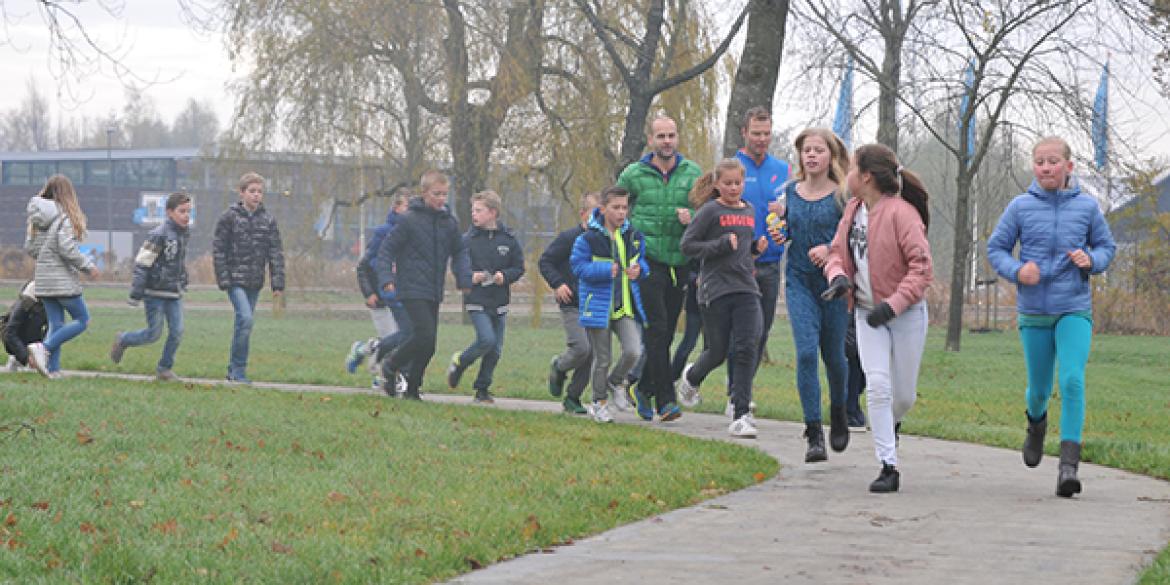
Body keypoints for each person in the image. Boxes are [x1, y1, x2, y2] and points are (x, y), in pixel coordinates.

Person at [987, 136, 1116, 498]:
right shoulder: (1020, 207)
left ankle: (1068, 467)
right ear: (1034, 166)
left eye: (1053, 161)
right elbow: (996, 248)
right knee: (1040, 389)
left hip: (1073, 306)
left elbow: (1107, 247)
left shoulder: (1087, 208)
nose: (1046, 167)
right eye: (1040, 161)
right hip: (1034, 311)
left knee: (1073, 380)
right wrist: (1016, 271)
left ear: (1068, 167)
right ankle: (1036, 424)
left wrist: (1093, 261)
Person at [822, 143, 933, 493]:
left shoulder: (902, 214)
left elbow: (922, 268)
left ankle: (892, 424)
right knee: (879, 387)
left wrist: (895, 304)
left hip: (906, 315)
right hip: (868, 313)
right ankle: (888, 465)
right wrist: (838, 277)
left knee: (903, 397)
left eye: (852, 168)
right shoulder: (853, 210)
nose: (848, 175)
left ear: (866, 176)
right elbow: (837, 252)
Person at [773, 128, 852, 462]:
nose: (812, 156)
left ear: (830, 155)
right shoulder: (789, 193)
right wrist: (779, 232)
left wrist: (830, 247)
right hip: (799, 281)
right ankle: (813, 433)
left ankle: (839, 412)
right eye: (807, 150)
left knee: (833, 356)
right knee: (806, 353)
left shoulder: (843, 196)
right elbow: (787, 230)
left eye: (818, 150)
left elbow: (854, 237)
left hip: (832, 285)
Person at [676, 159, 769, 438]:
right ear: (717, 184)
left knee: (746, 348)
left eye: (737, 183)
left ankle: (740, 414)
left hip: (746, 287)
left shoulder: (750, 210)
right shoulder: (709, 211)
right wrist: (718, 245)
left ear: (743, 183)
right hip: (715, 290)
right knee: (716, 351)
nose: (733, 188)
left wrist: (755, 248)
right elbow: (688, 246)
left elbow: (741, 250)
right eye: (727, 183)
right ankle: (692, 377)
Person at [617, 114, 701, 422]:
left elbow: (706, 210)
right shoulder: (633, 174)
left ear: (677, 138)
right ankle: (666, 401)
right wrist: (627, 248)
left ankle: (643, 388)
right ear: (651, 139)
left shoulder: (692, 172)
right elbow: (615, 209)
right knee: (657, 327)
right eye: (661, 136)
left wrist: (691, 216)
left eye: (671, 135)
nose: (667, 141)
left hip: (679, 261)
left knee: (664, 336)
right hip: (648, 260)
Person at [376, 170, 470, 400]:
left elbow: (460, 251)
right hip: (410, 287)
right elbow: (387, 250)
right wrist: (386, 278)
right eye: (437, 194)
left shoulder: (449, 223)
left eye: (444, 194)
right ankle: (391, 363)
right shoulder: (409, 219)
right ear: (424, 193)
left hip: (433, 288)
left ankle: (412, 389)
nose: (441, 199)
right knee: (424, 335)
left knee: (429, 345)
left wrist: (463, 277)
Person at [727, 106, 789, 404]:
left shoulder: (782, 170)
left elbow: (790, 213)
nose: (762, 139)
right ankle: (737, 395)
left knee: (762, 332)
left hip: (773, 262)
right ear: (745, 133)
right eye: (756, 133)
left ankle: (740, 391)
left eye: (766, 133)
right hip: (740, 264)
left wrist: (785, 225)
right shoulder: (733, 168)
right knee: (744, 334)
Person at [570, 186, 647, 424]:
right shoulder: (588, 239)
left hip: (624, 305)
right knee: (602, 358)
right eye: (616, 207)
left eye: (625, 208)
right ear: (603, 209)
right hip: (599, 306)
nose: (621, 213)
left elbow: (642, 262)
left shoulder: (632, 236)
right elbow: (578, 267)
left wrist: (640, 270)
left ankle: (616, 381)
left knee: (634, 350)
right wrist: (605, 269)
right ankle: (599, 401)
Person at [446, 190, 525, 404]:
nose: (474, 214)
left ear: (493, 213)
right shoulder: (467, 240)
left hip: (499, 301)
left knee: (496, 350)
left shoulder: (509, 240)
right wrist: (470, 276)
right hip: (476, 299)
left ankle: (482, 389)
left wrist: (504, 276)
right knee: (486, 340)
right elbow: (458, 266)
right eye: (473, 210)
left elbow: (519, 267)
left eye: (478, 210)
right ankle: (460, 362)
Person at [109, 192, 192, 381]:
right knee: (153, 334)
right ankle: (124, 339)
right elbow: (142, 263)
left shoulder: (184, 235)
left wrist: (183, 279)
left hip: (174, 292)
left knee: (177, 331)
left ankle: (164, 368)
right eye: (182, 211)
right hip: (154, 292)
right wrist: (137, 292)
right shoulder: (158, 235)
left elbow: (177, 262)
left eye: (189, 211)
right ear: (170, 212)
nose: (186, 215)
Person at [212, 172, 286, 384]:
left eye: (260, 192)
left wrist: (277, 283)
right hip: (235, 279)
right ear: (242, 192)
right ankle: (238, 370)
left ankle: (233, 369)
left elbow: (275, 254)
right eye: (252, 191)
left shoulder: (268, 221)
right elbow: (219, 249)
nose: (256, 195)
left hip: (254, 281)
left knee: (244, 324)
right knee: (245, 318)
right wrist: (223, 278)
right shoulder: (229, 218)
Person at [24, 174, 100, 377]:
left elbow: (30, 249)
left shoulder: (37, 220)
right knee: (83, 320)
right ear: (68, 194)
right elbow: (67, 248)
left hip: (44, 280)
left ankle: (53, 370)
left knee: (56, 324)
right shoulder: (63, 217)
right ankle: (44, 348)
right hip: (62, 281)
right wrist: (88, 266)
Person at [541, 191, 600, 414]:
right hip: (572, 302)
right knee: (581, 348)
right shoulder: (569, 238)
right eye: (595, 213)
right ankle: (559, 365)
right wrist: (558, 284)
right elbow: (546, 261)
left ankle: (573, 398)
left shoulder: (605, 241)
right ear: (583, 214)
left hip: (595, 303)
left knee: (593, 353)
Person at [346, 193, 410, 389]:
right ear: (396, 208)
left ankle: (363, 350)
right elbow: (365, 265)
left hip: (404, 297)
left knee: (399, 339)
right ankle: (381, 377)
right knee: (393, 339)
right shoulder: (383, 232)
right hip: (381, 297)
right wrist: (369, 293)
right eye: (407, 206)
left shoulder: (413, 233)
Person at [1, 281, 47, 373]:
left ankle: (34, 358)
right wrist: (26, 357)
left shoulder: (50, 304)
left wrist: (44, 350)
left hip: (35, 337)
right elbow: (10, 332)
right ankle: (17, 358)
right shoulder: (24, 302)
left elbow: (52, 330)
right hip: (15, 335)